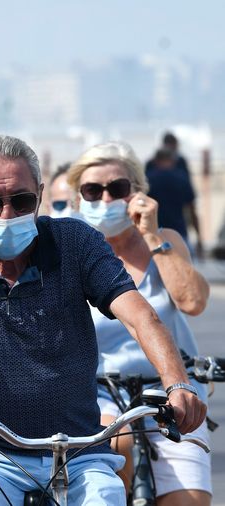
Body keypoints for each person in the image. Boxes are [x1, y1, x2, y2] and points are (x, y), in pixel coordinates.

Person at [0, 134, 206, 505]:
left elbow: (140, 317)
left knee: (107, 498)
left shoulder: (75, 242)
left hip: (78, 450)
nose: (7, 214)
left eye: (20, 201)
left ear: (38, 196)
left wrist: (177, 383)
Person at [68, 141, 211, 505]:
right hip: (95, 390)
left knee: (190, 499)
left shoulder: (166, 241)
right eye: (92, 190)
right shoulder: (68, 247)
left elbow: (193, 302)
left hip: (170, 387)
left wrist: (151, 236)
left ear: (137, 194)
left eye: (117, 188)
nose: (105, 197)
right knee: (118, 451)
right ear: (77, 198)